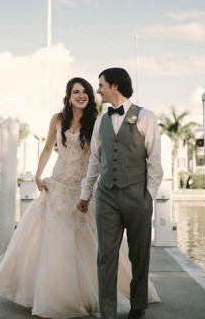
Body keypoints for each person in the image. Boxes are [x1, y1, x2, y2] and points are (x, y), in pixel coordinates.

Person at [0, 77, 159, 318]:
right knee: (52, 240)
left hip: (81, 185)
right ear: (68, 95)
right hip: (57, 183)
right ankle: (50, 294)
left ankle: (96, 294)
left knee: (91, 241)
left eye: (86, 92)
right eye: (76, 92)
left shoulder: (98, 120)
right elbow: (48, 148)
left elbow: (94, 157)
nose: (81, 95)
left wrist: (87, 191)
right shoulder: (57, 120)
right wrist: (38, 174)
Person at [78, 68, 163, 319]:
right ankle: (108, 313)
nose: (98, 90)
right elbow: (94, 161)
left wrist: (147, 196)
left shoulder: (146, 116)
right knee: (105, 256)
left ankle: (138, 307)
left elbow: (155, 162)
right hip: (106, 196)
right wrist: (86, 194)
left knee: (139, 254)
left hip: (137, 196)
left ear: (115, 86)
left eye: (101, 85)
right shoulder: (100, 121)